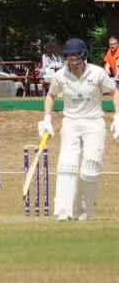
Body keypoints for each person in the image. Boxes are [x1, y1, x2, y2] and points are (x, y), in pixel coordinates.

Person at [39, 38, 117, 221]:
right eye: (69, 56)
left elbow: (115, 92)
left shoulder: (97, 73)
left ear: (83, 55)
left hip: (94, 122)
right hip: (71, 122)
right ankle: (63, 211)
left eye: (75, 55)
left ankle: (86, 210)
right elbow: (50, 96)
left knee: (90, 167)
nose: (72, 59)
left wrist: (118, 116)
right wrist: (47, 118)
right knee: (67, 165)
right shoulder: (60, 75)